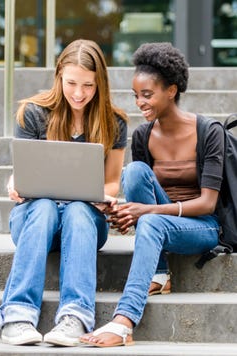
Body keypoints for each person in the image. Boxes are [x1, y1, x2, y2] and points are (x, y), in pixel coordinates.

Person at [80, 42, 224, 347]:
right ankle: (159, 275)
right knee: (133, 172)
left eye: (147, 95)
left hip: (202, 225)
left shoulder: (209, 132)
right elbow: (141, 194)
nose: (139, 103)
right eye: (135, 96)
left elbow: (208, 203)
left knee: (152, 221)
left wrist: (144, 213)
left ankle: (124, 322)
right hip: (158, 219)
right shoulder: (144, 136)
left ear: (171, 91)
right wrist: (123, 212)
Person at [0, 39, 128, 346]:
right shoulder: (33, 113)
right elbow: (23, 170)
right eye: (71, 83)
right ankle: (17, 314)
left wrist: (102, 195)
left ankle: (76, 316)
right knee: (42, 206)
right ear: (59, 76)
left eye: (88, 85)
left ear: (100, 84)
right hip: (35, 220)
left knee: (78, 209)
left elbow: (112, 183)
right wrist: (14, 184)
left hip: (83, 224)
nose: (79, 93)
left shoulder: (114, 121)